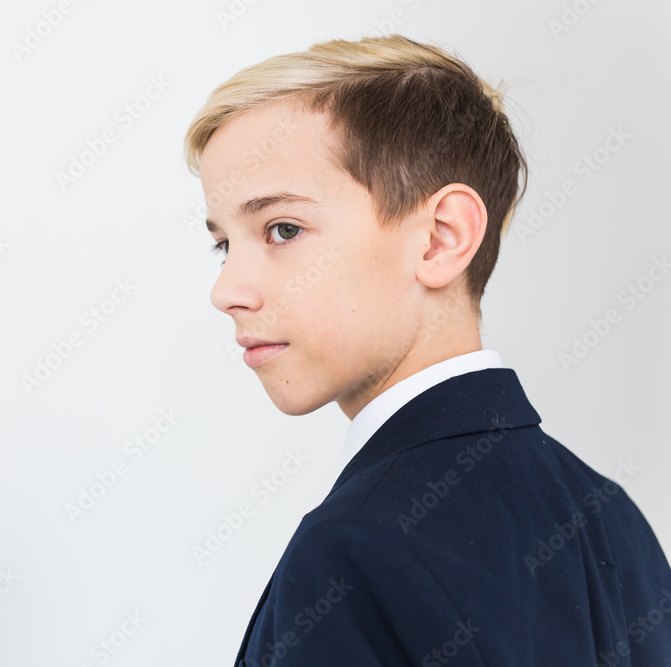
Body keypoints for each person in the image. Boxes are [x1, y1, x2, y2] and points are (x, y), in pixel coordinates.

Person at [183, 34, 671, 666]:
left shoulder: (355, 548)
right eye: (224, 243)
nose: (226, 291)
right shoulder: (612, 519)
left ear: (441, 239)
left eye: (283, 229)